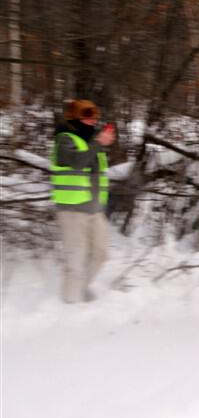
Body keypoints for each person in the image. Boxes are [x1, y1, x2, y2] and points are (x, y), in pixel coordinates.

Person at [50, 99, 115, 303]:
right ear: (75, 116)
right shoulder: (64, 140)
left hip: (93, 209)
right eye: (88, 115)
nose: (93, 120)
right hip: (72, 209)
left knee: (100, 254)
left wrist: (98, 143)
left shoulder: (89, 142)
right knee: (76, 258)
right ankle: (70, 303)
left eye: (95, 116)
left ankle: (80, 289)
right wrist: (98, 143)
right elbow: (77, 162)